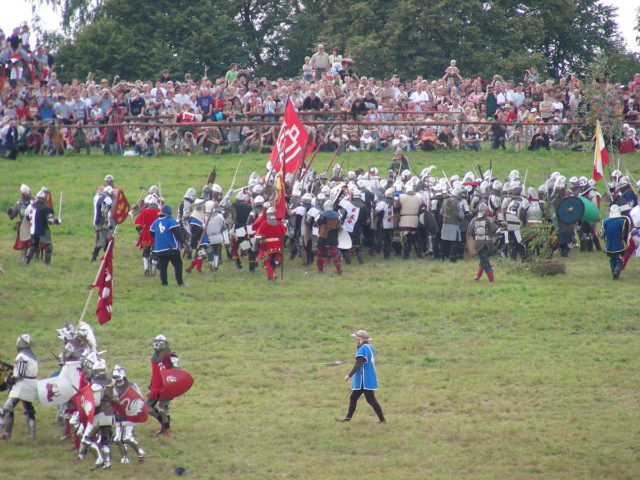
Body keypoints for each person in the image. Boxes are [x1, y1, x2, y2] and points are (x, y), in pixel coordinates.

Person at [336, 330, 385, 423]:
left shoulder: (362, 349)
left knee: (371, 400)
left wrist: (349, 375)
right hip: (368, 378)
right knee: (354, 397)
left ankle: (382, 420)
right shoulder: (370, 347)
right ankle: (347, 419)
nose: (355, 340)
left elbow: (359, 364)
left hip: (364, 380)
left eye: (357, 339)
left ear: (360, 339)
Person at [0, 334, 38, 440]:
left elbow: (19, 373)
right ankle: (31, 434)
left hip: (22, 385)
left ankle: (6, 432)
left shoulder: (22, 356)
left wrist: (9, 379)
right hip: (31, 384)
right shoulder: (31, 356)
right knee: (28, 409)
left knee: (7, 407)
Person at [111, 365, 146, 464]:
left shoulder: (131, 386)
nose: (117, 381)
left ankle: (140, 452)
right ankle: (124, 457)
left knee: (127, 437)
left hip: (130, 414)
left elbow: (139, 398)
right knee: (117, 439)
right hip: (118, 415)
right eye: (115, 379)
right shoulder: (112, 388)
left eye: (119, 378)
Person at [147, 335, 180, 436]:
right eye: (156, 341)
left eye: (159, 342)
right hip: (156, 386)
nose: (157, 344)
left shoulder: (171, 357)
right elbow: (156, 372)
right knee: (148, 408)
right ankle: (163, 425)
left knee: (162, 409)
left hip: (166, 386)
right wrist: (152, 383)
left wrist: (172, 384)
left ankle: (166, 429)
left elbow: (176, 372)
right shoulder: (155, 357)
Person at [24, 188, 61, 265]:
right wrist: (57, 221)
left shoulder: (30, 206)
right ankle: (47, 264)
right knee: (48, 246)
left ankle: (26, 261)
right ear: (44, 198)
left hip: (33, 230)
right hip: (42, 230)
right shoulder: (46, 208)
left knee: (34, 246)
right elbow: (50, 221)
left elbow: (27, 217)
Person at [150, 205, 184, 286]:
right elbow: (177, 234)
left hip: (160, 249)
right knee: (178, 265)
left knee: (163, 267)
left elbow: (151, 233)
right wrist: (182, 243)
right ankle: (180, 282)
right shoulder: (171, 221)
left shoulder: (156, 222)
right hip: (172, 248)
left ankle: (164, 283)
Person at [253, 207, 287, 281]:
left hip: (267, 245)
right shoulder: (279, 223)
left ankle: (272, 275)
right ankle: (270, 276)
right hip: (277, 245)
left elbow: (259, 236)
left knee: (266, 262)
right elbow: (283, 234)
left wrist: (255, 245)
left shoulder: (264, 224)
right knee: (272, 261)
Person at [468, 203, 498, 282]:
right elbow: (495, 230)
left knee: (483, 260)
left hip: (478, 243)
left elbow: (470, 232)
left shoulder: (474, 220)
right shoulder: (489, 220)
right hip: (487, 243)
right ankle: (491, 279)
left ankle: (478, 276)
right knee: (485, 261)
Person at [602, 205, 630, 280]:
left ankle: (614, 272)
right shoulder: (622, 221)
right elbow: (625, 234)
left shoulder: (605, 221)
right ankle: (616, 271)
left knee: (612, 259)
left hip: (609, 244)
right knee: (619, 259)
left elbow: (602, 234)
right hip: (619, 244)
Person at [134, 195, 160, 276]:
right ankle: (153, 271)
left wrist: (139, 232)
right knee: (156, 253)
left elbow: (138, 224)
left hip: (147, 234)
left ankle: (146, 268)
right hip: (157, 235)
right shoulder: (160, 211)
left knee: (146, 252)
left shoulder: (145, 211)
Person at [7, 184, 32, 262]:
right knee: (24, 241)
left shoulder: (33, 201)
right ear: (23, 193)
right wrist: (10, 212)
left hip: (32, 224)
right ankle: (24, 257)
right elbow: (12, 217)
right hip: (23, 225)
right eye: (27, 193)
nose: (29, 194)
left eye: (29, 192)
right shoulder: (19, 204)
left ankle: (35, 256)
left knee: (35, 241)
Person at [316, 200, 343, 274]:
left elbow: (317, 224)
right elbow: (339, 227)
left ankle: (320, 270)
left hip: (323, 238)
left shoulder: (321, 215)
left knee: (320, 254)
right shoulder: (337, 215)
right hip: (333, 238)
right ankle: (338, 270)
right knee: (335, 255)